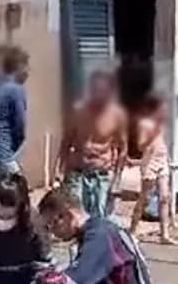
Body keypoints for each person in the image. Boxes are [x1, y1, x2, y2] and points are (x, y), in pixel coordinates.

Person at [55, 71, 129, 220]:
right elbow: (66, 141)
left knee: (99, 218)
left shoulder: (117, 115)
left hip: (100, 173)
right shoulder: (78, 111)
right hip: (77, 171)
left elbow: (123, 149)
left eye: (102, 91)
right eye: (95, 90)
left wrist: (116, 180)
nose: (98, 95)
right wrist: (58, 169)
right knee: (75, 216)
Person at [128, 93, 176, 245]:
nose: (164, 113)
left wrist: (169, 160)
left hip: (162, 160)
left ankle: (164, 234)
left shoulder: (161, 125)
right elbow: (141, 145)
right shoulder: (145, 124)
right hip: (150, 161)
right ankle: (132, 230)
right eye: (162, 110)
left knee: (164, 197)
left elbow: (161, 143)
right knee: (144, 198)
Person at [0, 45, 30, 176]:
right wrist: (12, 150)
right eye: (27, 66)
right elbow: (20, 125)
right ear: (18, 67)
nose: (28, 71)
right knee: (16, 191)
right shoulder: (15, 90)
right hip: (4, 153)